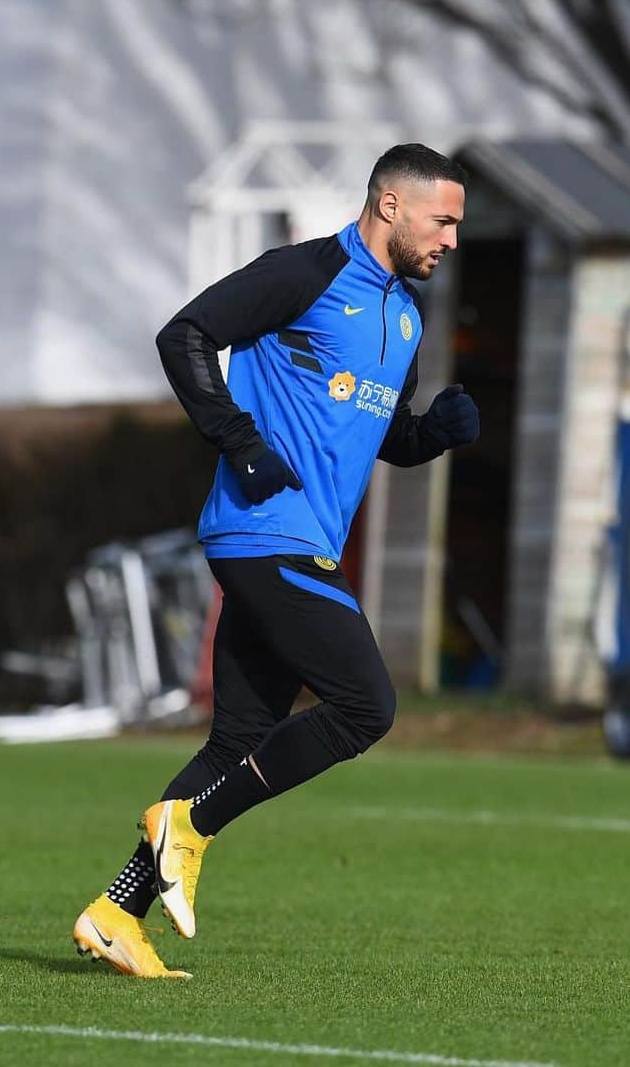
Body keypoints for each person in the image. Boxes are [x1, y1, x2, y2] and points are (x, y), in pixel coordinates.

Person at [72, 144, 478, 977]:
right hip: (265, 533)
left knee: (236, 745)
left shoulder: (406, 318)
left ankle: (115, 911)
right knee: (366, 706)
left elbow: (378, 432)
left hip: (296, 541)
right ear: (391, 207)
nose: (452, 239)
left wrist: (429, 435)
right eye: (443, 220)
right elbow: (183, 334)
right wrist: (240, 442)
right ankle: (190, 827)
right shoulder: (302, 273)